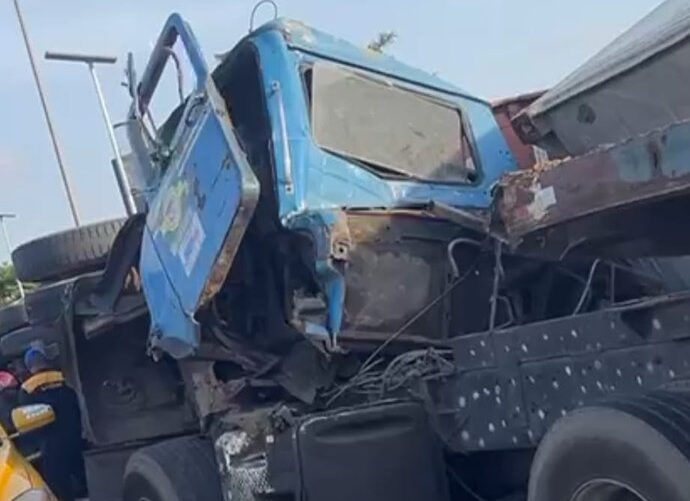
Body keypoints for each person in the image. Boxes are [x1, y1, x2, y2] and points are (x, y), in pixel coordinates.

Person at [20, 343, 85, 501]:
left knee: (59, 490)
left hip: (51, 445)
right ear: (46, 361)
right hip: (76, 437)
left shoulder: (27, 389)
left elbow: (25, 418)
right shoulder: (64, 377)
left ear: (29, 367)